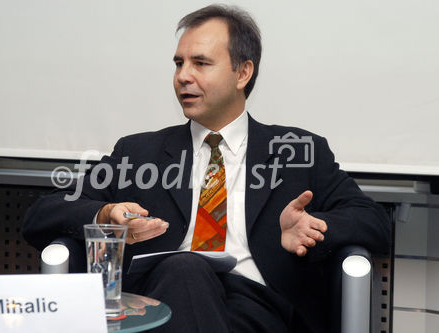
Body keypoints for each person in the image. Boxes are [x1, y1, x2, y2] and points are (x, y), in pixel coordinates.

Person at [23, 4, 390, 332]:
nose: (183, 76)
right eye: (179, 63)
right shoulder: (139, 153)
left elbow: (374, 222)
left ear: (242, 73)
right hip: (156, 301)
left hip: (257, 306)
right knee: (185, 268)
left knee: (188, 272)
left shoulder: (297, 151)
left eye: (200, 63)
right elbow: (41, 215)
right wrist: (105, 213)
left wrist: (314, 230)